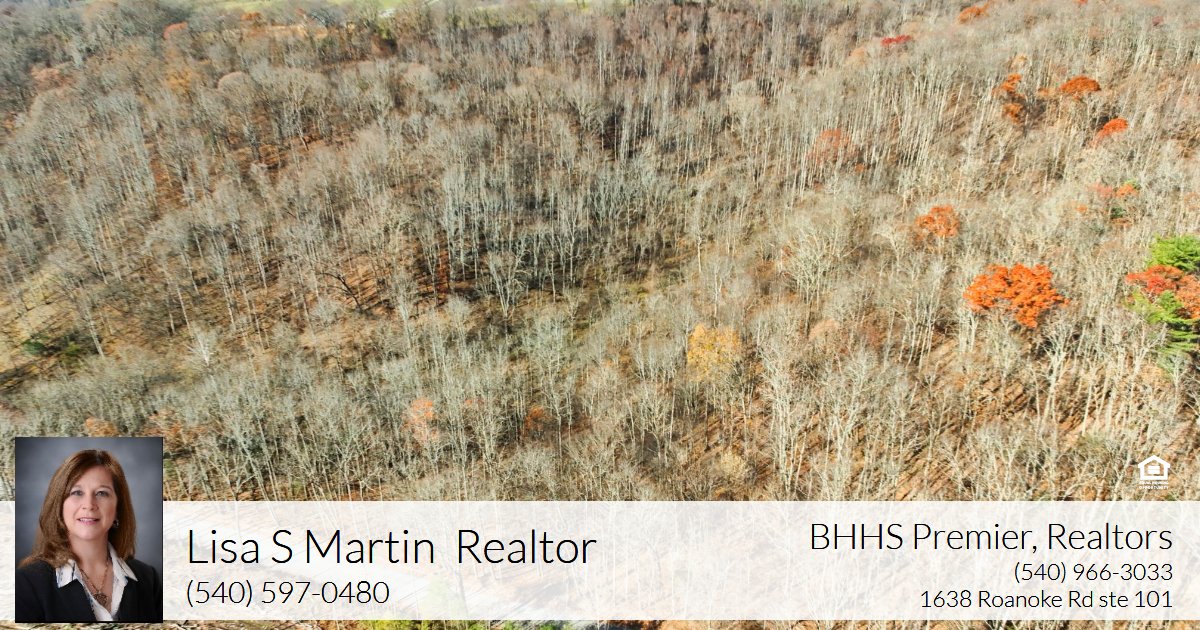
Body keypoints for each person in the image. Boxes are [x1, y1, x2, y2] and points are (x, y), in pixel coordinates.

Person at [15, 449, 163, 622]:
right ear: (59, 506)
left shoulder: (148, 579)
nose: (89, 504)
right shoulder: (27, 583)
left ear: (118, 509)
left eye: (102, 493)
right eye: (77, 492)